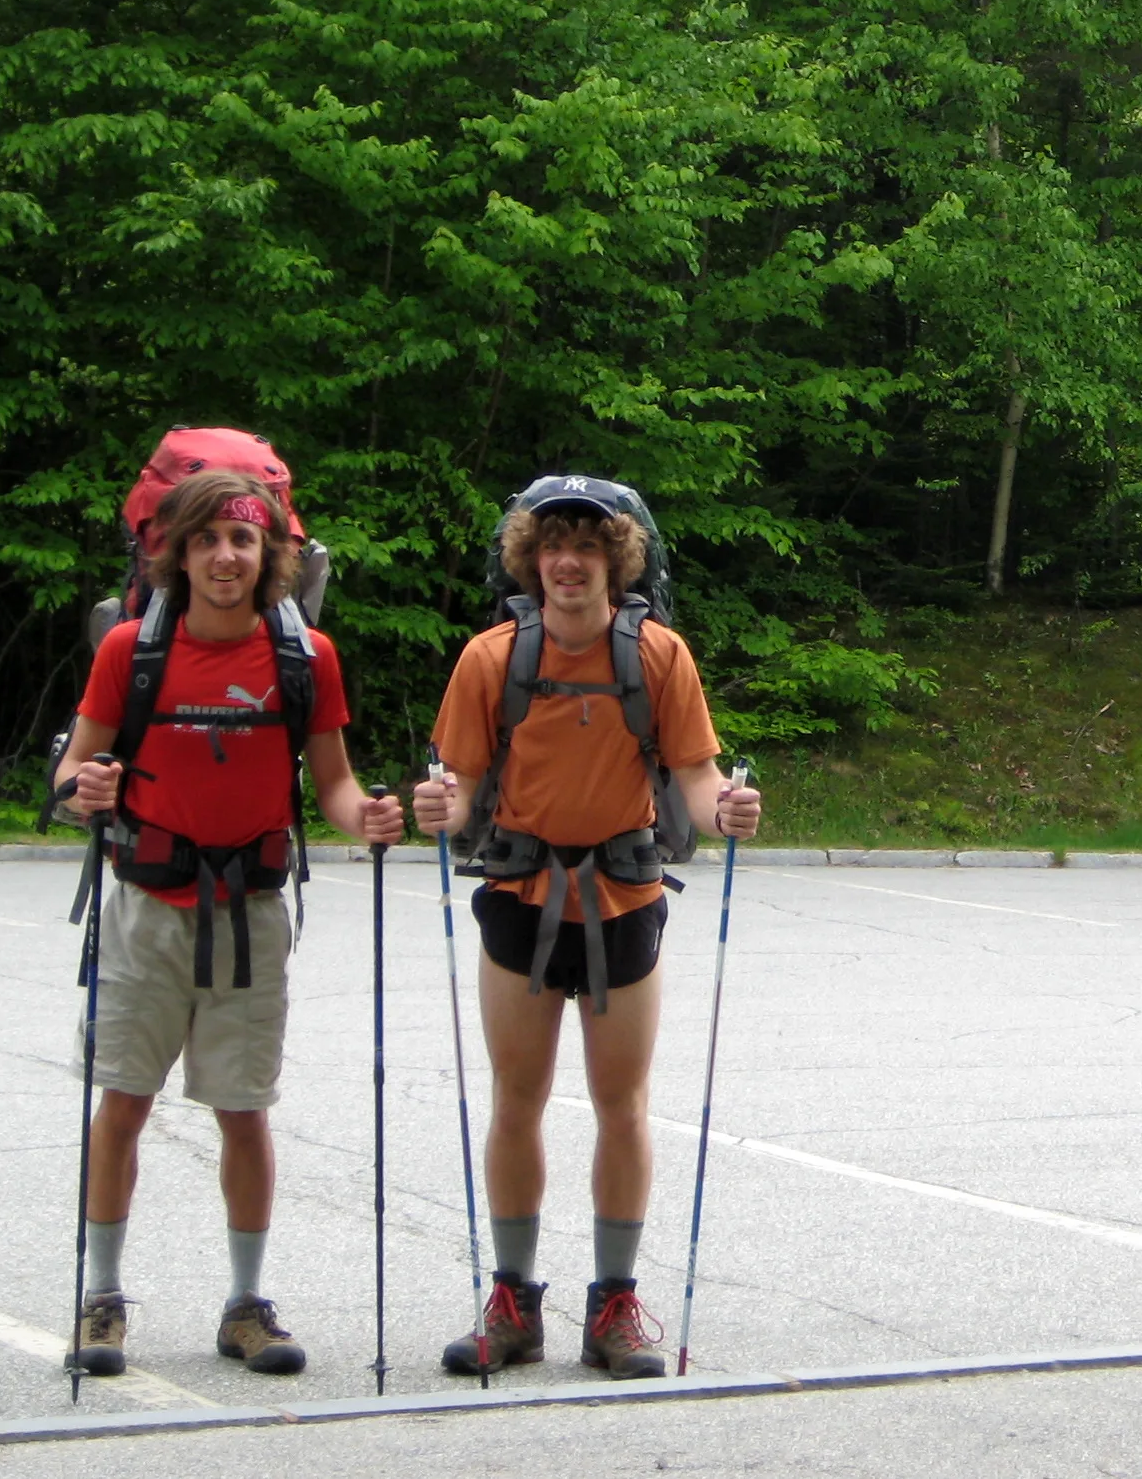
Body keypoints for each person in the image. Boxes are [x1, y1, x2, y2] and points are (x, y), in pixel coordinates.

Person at [51, 467, 403, 1379]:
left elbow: (329, 780)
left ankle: (246, 1306)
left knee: (244, 1113)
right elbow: (71, 772)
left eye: (243, 539)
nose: (224, 555)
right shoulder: (130, 650)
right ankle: (101, 1299)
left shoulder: (303, 658)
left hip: (251, 912)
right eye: (207, 539)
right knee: (122, 1105)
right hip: (144, 909)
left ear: (270, 554)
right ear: (175, 551)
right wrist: (82, 789)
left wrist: (364, 816)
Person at [411, 479, 763, 1380]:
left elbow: (694, 780)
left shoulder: (658, 656)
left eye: (590, 546)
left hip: (625, 895)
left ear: (617, 560)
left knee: (623, 1106)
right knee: (516, 1103)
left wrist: (725, 811)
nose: (569, 561)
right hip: (520, 897)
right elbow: (457, 788)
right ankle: (513, 1301)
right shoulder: (492, 659)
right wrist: (434, 808)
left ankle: (613, 1303)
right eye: (553, 545)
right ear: (531, 559)